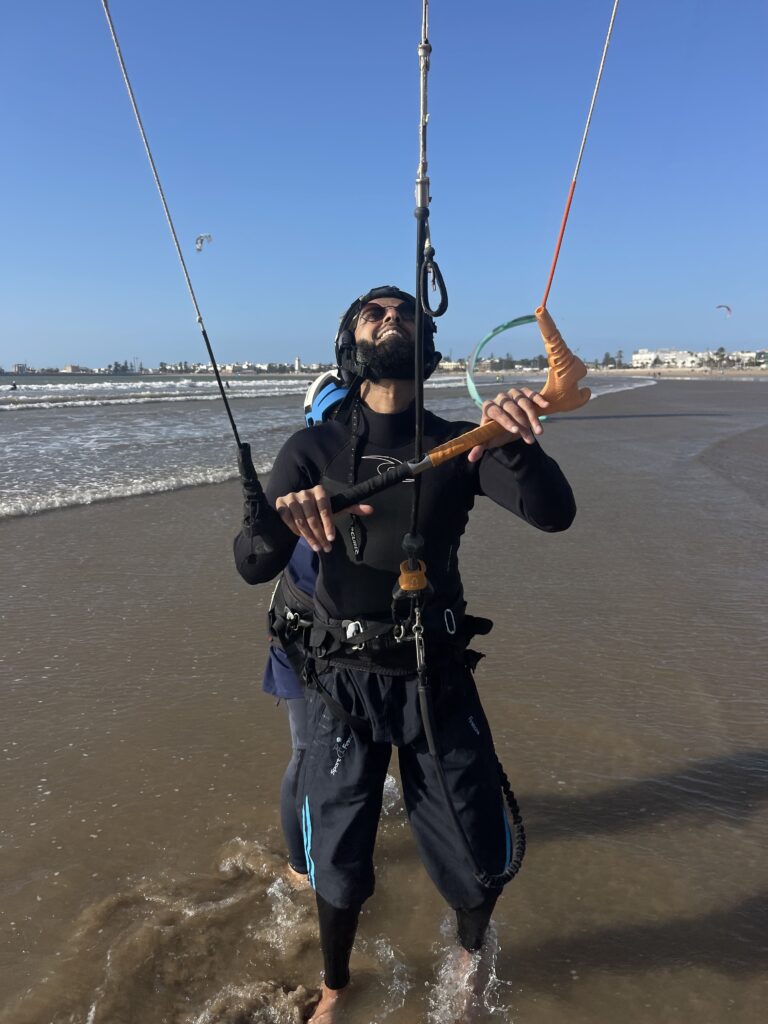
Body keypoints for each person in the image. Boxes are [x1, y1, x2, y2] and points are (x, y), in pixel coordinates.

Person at [234, 286, 576, 1022]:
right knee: (338, 849)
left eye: (408, 313)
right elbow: (253, 562)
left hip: (436, 676)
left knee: (476, 844)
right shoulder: (311, 450)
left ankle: (467, 956)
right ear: (351, 344)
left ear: (427, 344)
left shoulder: (462, 440)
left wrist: (514, 440)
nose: (393, 318)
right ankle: (334, 986)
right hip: (340, 683)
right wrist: (284, 520)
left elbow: (555, 515)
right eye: (375, 313)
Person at [262, 371, 348, 883]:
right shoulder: (296, 495)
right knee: (303, 752)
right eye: (332, 422)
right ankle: (299, 865)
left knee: (342, 750)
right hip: (300, 645)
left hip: (357, 649)